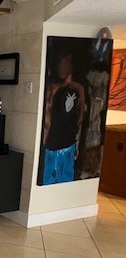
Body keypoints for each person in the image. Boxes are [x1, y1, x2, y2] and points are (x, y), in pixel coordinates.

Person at [42, 52, 87, 184]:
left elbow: (80, 120)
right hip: (51, 145)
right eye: (60, 63)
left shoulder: (77, 89)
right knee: (48, 178)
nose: (61, 67)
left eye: (65, 63)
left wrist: (78, 145)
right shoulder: (53, 89)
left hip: (67, 144)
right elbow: (47, 120)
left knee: (64, 178)